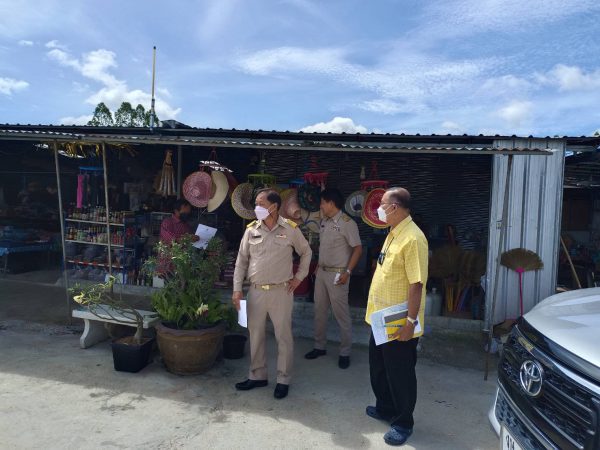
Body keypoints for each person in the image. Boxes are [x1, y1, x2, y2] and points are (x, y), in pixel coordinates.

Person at [232, 189, 312, 399]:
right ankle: (257, 375)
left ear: (274, 206)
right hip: (256, 291)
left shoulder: (290, 229)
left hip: (281, 291)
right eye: (256, 203)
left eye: (260, 203)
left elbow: (306, 252)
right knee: (255, 335)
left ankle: (283, 379)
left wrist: (299, 278)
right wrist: (237, 289)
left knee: (283, 337)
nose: (256, 207)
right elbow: (241, 261)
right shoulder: (251, 230)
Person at [365, 187, 428, 447]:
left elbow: (416, 284)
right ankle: (385, 407)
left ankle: (403, 422)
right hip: (380, 317)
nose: (378, 208)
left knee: (400, 373)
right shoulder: (392, 233)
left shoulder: (413, 238)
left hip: (399, 321)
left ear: (395, 207)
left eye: (382, 204)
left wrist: (410, 323)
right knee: (379, 366)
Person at [305, 188, 362, 369]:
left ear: (331, 203)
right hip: (321, 273)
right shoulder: (325, 221)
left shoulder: (347, 223)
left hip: (339, 274)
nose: (321, 206)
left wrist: (348, 272)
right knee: (319, 312)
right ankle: (319, 346)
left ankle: (345, 352)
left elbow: (358, 249)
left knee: (341, 315)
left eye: (323, 202)